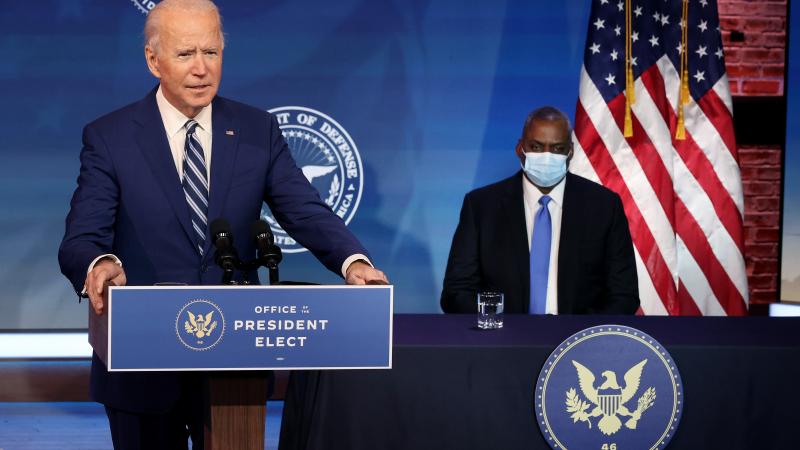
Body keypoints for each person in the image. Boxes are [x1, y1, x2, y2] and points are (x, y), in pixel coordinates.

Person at [57, 1, 387, 448]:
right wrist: (99, 264)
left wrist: (353, 261)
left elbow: (304, 209)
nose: (201, 68)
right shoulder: (110, 137)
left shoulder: (256, 129)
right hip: (142, 363)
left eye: (211, 52)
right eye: (185, 54)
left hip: (235, 361)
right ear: (153, 60)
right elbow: (82, 236)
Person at [440, 106, 638, 315]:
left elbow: (624, 295)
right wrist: (498, 326)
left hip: (579, 335)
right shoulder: (481, 206)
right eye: (536, 147)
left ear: (570, 151)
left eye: (557, 148)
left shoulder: (604, 206)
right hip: (503, 333)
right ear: (520, 149)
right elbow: (456, 292)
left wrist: (583, 332)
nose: (547, 156)